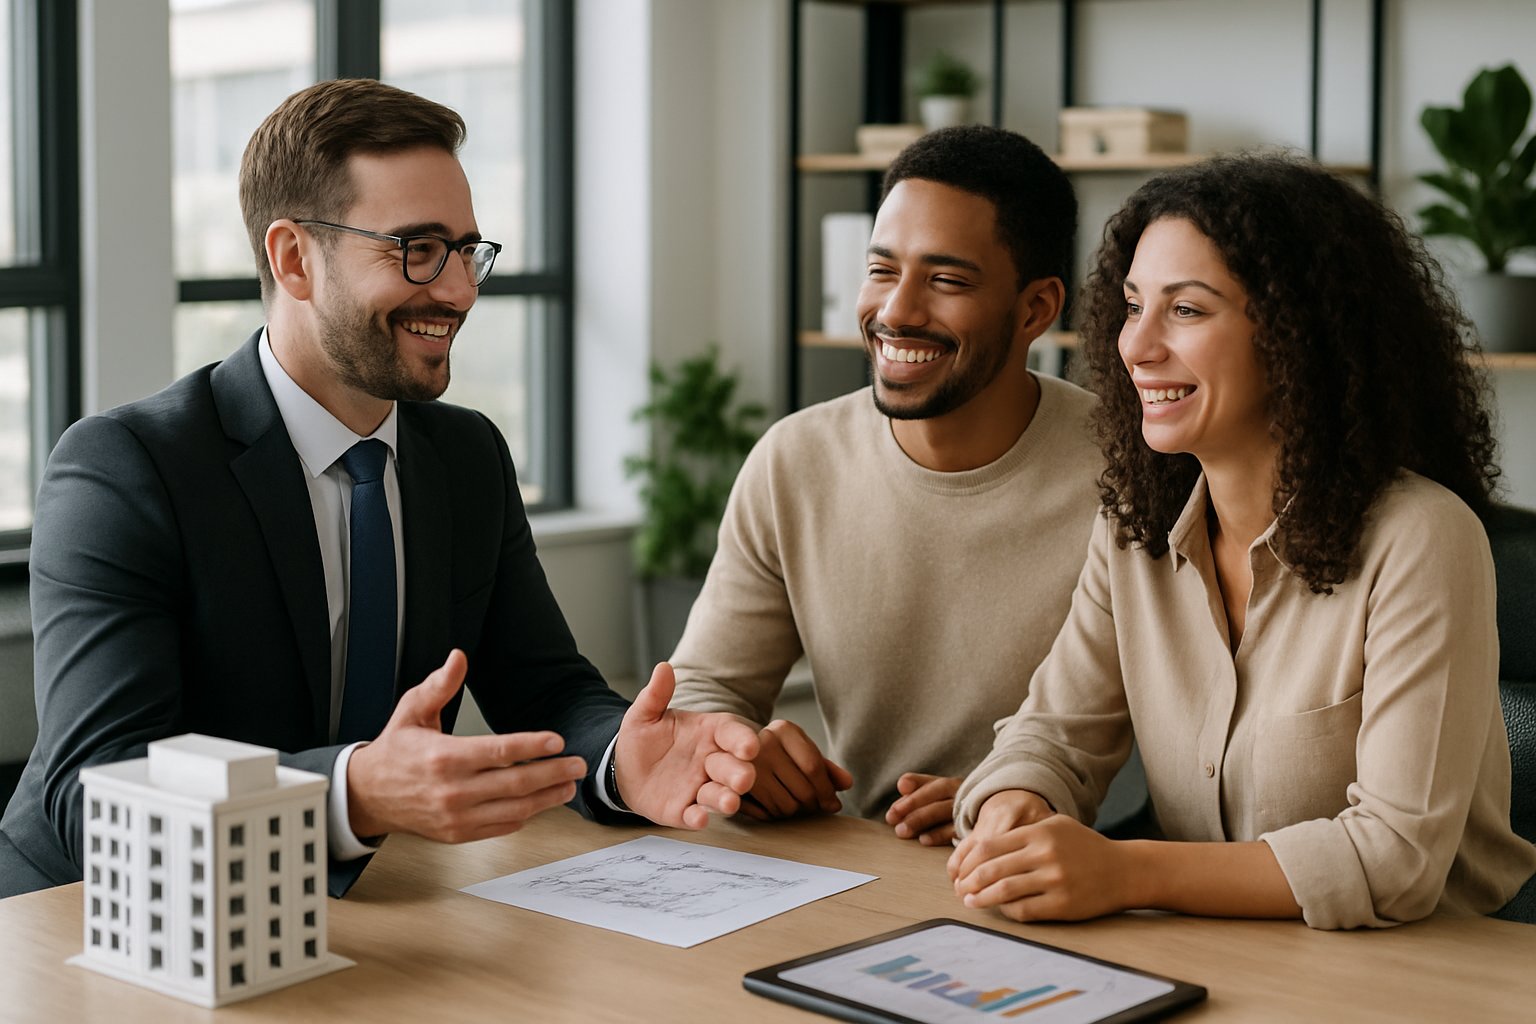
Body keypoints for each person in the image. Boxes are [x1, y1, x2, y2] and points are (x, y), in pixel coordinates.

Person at [0, 79, 758, 900]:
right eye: (416, 249)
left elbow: (545, 688)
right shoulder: (124, 470)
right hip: (93, 926)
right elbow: (97, 792)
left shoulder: (466, 456)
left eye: (466, 250)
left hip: (362, 918)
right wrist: (350, 793)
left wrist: (620, 760)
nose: (461, 291)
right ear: (293, 258)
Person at [947, 152, 1536, 929]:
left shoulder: (1420, 538)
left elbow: (1395, 860)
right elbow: (1055, 733)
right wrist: (1012, 805)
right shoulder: (1136, 525)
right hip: (1215, 956)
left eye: (1186, 310)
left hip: (1420, 975)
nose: (1137, 346)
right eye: (1132, 306)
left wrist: (1126, 871)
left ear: (1299, 335)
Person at [667, 125, 1104, 844]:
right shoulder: (795, 461)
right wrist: (736, 752)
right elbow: (704, 686)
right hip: (857, 856)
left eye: (947, 280)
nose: (896, 311)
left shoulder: (1128, 476)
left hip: (1082, 868)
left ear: (1036, 310)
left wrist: (1018, 789)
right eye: (881, 270)